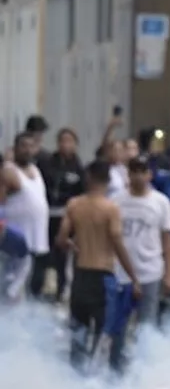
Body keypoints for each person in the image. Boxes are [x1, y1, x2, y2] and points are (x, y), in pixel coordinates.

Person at [56, 161, 142, 371]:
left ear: (88, 178)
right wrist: (134, 277)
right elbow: (116, 241)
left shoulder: (74, 205)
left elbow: (60, 239)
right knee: (102, 335)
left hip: (81, 275)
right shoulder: (111, 208)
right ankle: (95, 386)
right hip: (103, 277)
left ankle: (73, 381)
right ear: (108, 180)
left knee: (78, 334)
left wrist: (69, 243)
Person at [105, 156, 170, 373]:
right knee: (119, 327)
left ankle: (145, 371)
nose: (137, 175)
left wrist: (169, 273)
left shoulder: (161, 202)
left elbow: (167, 239)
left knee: (147, 327)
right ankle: (115, 372)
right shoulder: (116, 201)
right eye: (133, 170)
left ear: (150, 174)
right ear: (127, 173)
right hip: (120, 273)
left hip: (150, 271)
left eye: (142, 171)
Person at [34, 127, 83, 302]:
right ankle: (38, 289)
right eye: (62, 141)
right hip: (47, 214)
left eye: (69, 141)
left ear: (75, 144)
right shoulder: (47, 162)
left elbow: (80, 194)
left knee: (62, 255)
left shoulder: (78, 167)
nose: (65, 144)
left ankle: (60, 290)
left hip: (66, 216)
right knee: (43, 253)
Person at [3, 132, 49, 299]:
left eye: (31, 146)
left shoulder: (35, 169)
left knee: (29, 288)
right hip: (15, 242)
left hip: (35, 240)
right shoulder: (8, 172)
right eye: (23, 146)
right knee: (11, 289)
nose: (27, 150)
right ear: (15, 148)